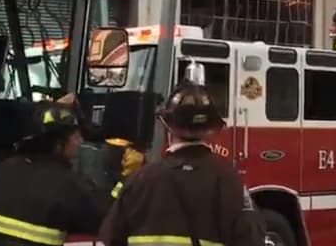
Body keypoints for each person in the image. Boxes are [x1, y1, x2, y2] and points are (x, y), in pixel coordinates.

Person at [99, 82, 266, 246]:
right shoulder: (230, 182)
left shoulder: (140, 180)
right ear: (211, 129)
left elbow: (110, 236)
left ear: (168, 125)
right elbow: (252, 237)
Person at [0, 102, 111, 246]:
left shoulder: (7, 167)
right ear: (58, 144)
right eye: (75, 137)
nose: (80, 141)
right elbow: (105, 221)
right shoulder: (68, 182)